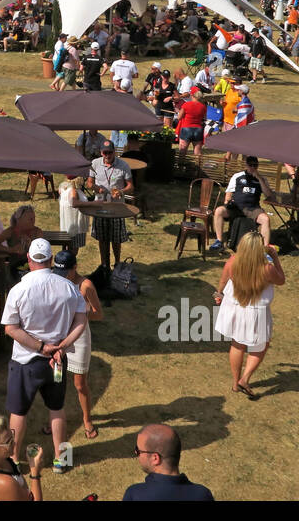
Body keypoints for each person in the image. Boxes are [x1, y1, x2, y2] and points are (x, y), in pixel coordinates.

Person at [1, 239, 88, 475]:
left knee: (18, 413)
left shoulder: (19, 290)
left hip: (25, 361)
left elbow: (11, 328)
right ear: (50, 260)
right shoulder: (69, 287)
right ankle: (61, 460)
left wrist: (41, 347)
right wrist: (61, 346)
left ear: (29, 260)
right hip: (57, 360)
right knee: (57, 408)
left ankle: (13, 460)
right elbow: (81, 320)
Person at [212, 231, 286, 399]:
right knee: (261, 345)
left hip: (235, 307)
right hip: (256, 311)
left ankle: (235, 382)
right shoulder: (267, 268)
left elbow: (223, 281)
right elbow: (281, 280)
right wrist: (275, 258)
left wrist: (218, 295)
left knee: (237, 344)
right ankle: (244, 379)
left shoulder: (232, 262)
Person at [57, 250, 102, 438]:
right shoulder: (57, 280)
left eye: (66, 271)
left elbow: (99, 313)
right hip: (59, 337)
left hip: (80, 338)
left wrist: (79, 314)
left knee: (80, 384)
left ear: (75, 267)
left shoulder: (86, 285)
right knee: (56, 382)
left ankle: (87, 419)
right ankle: (55, 420)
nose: (62, 276)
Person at [122, 424, 214, 501]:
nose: (136, 453)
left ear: (155, 458)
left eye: (138, 450)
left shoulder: (135, 495)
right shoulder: (203, 495)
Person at [210, 156, 274, 251]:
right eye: (250, 165)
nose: (253, 167)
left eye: (255, 165)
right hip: (237, 206)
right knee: (219, 211)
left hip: (252, 208)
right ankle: (219, 241)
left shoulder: (262, 179)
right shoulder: (238, 176)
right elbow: (229, 192)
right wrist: (227, 202)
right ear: (246, 165)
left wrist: (259, 179)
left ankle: (265, 249)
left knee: (266, 219)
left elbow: (268, 195)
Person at [85, 140, 133, 268]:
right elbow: (89, 183)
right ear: (101, 152)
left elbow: (131, 186)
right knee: (102, 237)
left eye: (110, 152)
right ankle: (104, 264)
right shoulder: (95, 164)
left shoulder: (123, 165)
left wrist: (121, 192)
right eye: (105, 152)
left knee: (116, 238)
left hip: (117, 207)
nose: (107, 155)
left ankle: (117, 263)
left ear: (114, 152)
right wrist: (96, 188)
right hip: (100, 205)